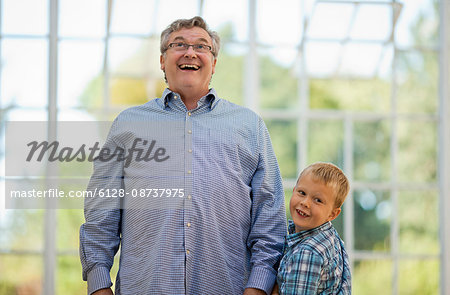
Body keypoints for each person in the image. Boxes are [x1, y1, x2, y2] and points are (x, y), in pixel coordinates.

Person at [79, 16, 287, 295]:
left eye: (202, 46)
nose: (190, 52)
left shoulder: (250, 126)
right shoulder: (127, 124)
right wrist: (99, 285)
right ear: (162, 60)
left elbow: (269, 214)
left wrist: (259, 286)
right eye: (179, 45)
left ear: (214, 63)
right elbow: (100, 213)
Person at [275, 162, 351, 295]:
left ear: (332, 214)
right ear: (294, 190)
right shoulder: (330, 236)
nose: (305, 203)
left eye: (318, 200)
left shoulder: (307, 253)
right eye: (302, 192)